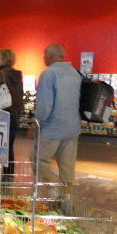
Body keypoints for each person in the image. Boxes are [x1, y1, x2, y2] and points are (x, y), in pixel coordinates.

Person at [32, 44, 81, 184]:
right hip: (72, 126)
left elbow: (45, 104)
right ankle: (66, 195)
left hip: (53, 127)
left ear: (50, 56)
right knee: (67, 166)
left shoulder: (49, 73)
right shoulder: (74, 72)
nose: (43, 58)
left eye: (44, 55)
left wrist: (38, 122)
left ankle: (53, 188)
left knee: (38, 158)